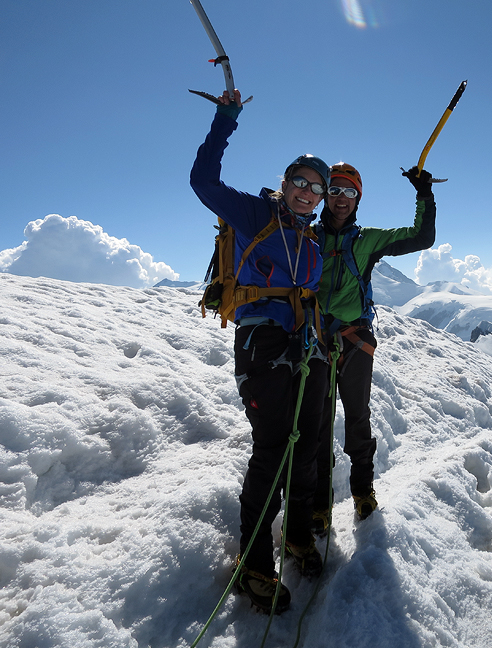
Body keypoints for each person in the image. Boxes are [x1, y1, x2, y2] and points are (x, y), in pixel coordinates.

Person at [190, 90, 330, 614]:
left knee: (308, 442)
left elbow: (309, 296)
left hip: (306, 346)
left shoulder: (310, 241)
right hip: (262, 345)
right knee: (273, 448)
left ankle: (296, 536)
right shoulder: (254, 213)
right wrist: (225, 119)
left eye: (315, 188)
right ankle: (253, 566)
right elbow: (203, 182)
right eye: (300, 182)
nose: (307, 192)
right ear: (285, 182)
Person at [311, 162, 437, 531]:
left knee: (357, 417)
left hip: (352, 339)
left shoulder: (367, 240)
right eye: (335, 190)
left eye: (350, 192)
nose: (341, 199)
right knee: (318, 423)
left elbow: (420, 237)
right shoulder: (307, 236)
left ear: (358, 199)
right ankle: (320, 502)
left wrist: (423, 194)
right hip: (315, 340)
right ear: (324, 195)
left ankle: (362, 491)